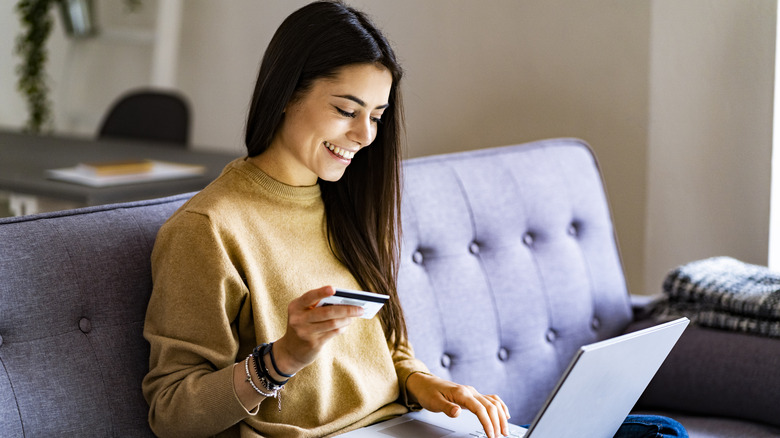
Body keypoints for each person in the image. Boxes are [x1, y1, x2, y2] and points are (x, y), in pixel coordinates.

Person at [142, 2, 687, 437]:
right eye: (346, 109)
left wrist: (425, 384)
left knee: (654, 434)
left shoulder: (345, 205)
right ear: (287, 95)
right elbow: (171, 411)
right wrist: (281, 360)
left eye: (376, 116)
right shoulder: (209, 229)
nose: (364, 136)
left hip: (403, 427)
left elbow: (385, 344)